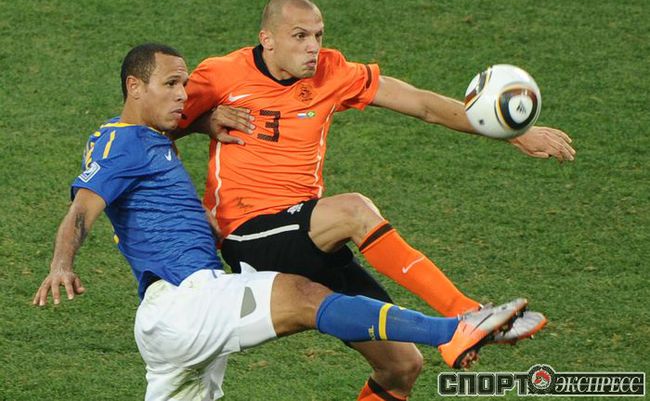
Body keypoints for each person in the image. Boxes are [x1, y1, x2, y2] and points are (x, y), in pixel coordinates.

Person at [33, 43, 536, 401]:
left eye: (185, 84)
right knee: (303, 296)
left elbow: (166, 204)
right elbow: (81, 209)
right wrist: (61, 264)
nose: (184, 95)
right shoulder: (120, 142)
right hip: (185, 303)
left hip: (180, 321)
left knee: (383, 352)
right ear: (134, 86)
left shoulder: (150, 143)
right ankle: (453, 327)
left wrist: (204, 124)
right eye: (171, 85)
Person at [176, 0, 567, 401]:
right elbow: (153, 126)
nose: (313, 47)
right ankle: (465, 312)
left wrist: (509, 131)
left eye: (318, 35)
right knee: (353, 210)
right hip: (249, 233)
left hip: (307, 236)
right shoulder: (222, 74)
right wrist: (203, 129)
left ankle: (465, 323)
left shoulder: (331, 71)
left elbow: (422, 104)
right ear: (267, 39)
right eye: (300, 36)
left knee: (402, 365)